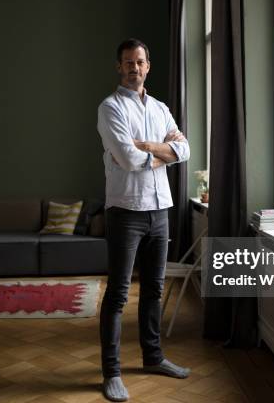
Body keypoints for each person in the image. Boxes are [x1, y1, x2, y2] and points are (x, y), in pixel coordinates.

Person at [96, 38, 191, 402]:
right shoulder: (110, 108)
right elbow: (127, 159)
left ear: (147, 66)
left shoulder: (161, 108)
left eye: (140, 62)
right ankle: (112, 373)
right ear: (119, 67)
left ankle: (153, 358)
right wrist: (163, 151)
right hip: (125, 211)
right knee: (118, 294)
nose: (134, 68)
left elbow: (185, 149)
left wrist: (149, 147)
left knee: (153, 290)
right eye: (127, 63)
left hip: (160, 209)